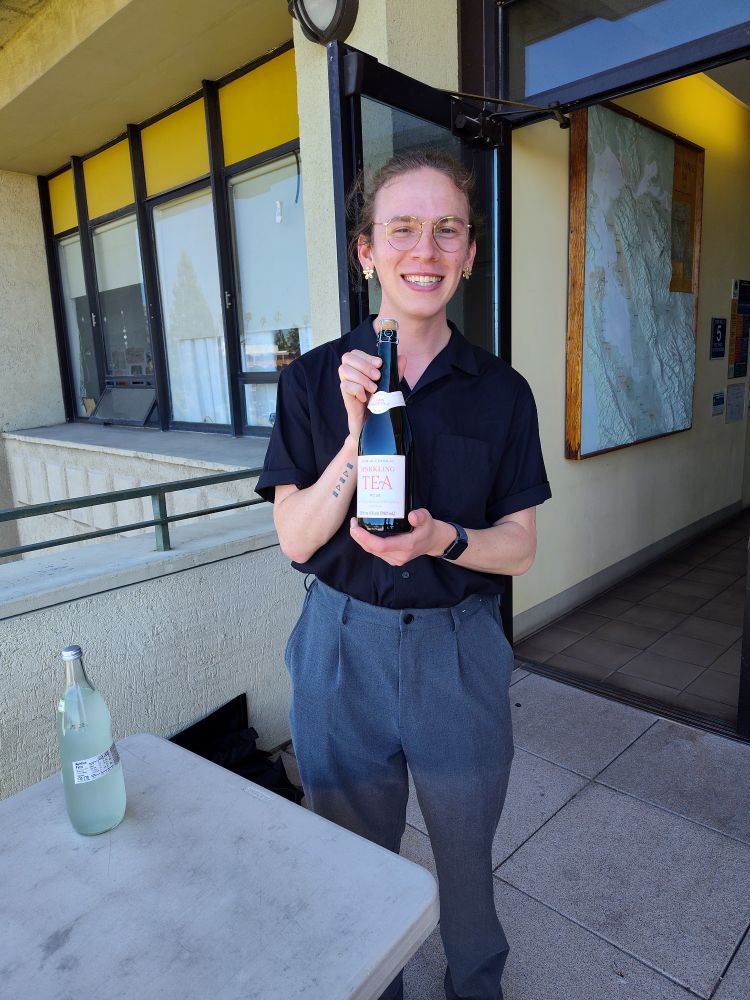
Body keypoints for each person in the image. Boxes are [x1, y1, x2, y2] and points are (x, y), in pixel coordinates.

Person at [256, 148, 551, 1000]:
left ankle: (476, 986)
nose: (425, 251)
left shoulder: (502, 392)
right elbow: (297, 539)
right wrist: (355, 435)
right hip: (340, 650)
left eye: (446, 230)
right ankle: (370, 984)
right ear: (366, 252)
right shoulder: (313, 379)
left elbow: (520, 547)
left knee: (466, 853)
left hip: (458, 654)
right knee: (349, 854)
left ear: (466, 253)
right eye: (403, 230)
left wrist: (440, 541)